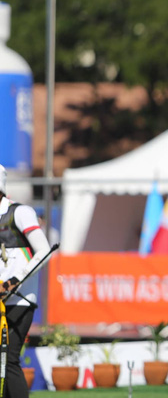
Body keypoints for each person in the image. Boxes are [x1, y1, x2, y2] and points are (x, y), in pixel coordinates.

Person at [0, 164, 52, 397]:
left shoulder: (20, 212)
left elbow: (44, 252)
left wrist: (14, 281)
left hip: (19, 301)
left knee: (8, 359)